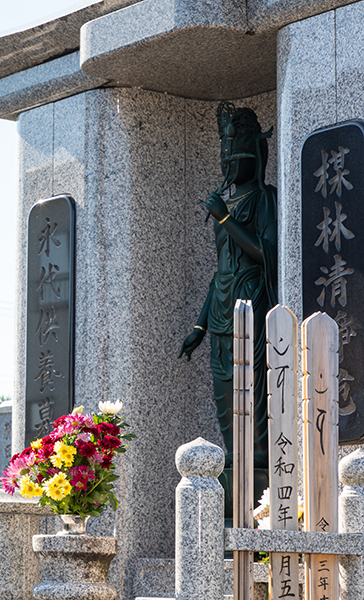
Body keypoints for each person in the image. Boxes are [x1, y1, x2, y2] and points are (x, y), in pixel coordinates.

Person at [178, 102, 278, 515]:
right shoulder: (227, 202)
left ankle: (257, 507)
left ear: (255, 156)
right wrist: (199, 328)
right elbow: (218, 271)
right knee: (226, 418)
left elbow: (264, 252)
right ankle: (233, 502)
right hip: (220, 314)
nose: (228, 164)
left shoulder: (263, 199)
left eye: (235, 157)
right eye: (224, 156)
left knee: (252, 414)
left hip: (251, 309)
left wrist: (223, 220)